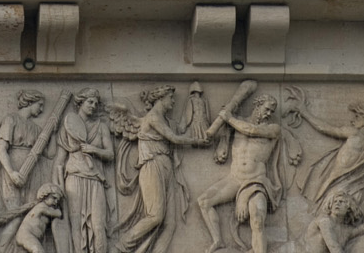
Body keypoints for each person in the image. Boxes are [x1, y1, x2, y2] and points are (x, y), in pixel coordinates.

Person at [192, 87, 291, 253]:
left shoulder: (273, 129)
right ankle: (217, 241)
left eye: (272, 111)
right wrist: (222, 142)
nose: (268, 114)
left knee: (257, 219)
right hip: (235, 178)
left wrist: (228, 117)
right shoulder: (236, 123)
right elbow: (223, 138)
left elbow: (251, 131)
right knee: (204, 202)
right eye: (266, 109)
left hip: (256, 181)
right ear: (257, 105)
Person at [114, 87, 212, 253]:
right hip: (152, 166)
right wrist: (197, 142)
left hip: (166, 167)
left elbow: (180, 129)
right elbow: (174, 138)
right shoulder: (152, 117)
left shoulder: (166, 120)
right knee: (156, 216)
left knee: (170, 224)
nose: (173, 102)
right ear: (160, 98)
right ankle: (121, 246)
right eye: (170, 98)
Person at [56, 92, 116, 253]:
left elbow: (110, 154)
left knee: (98, 224)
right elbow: (59, 161)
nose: (93, 106)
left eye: (96, 103)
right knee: (75, 224)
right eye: (90, 102)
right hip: (74, 177)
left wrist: (94, 150)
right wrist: (59, 188)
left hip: (95, 179)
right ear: (80, 103)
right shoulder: (68, 124)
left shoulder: (101, 126)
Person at [0, 92, 51, 214]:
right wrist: (11, 173)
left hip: (33, 171)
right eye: (40, 105)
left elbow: (50, 154)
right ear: (30, 102)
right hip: (13, 169)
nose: (42, 109)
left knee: (30, 211)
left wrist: (52, 132)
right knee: (14, 211)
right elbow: (1, 149)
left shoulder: (36, 128)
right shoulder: (11, 120)